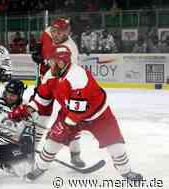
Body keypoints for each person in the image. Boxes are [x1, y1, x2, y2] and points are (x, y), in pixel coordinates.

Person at [8, 45, 143, 181]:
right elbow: (41, 100)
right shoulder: (50, 76)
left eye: (52, 61)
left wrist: (66, 125)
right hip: (69, 113)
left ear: (61, 63)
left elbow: (78, 112)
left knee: (116, 146)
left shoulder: (78, 77)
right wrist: (24, 110)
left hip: (99, 116)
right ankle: (41, 168)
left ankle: (126, 171)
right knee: (51, 143)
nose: (49, 64)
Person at [30, 17, 85, 167]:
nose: (55, 35)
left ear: (68, 33)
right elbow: (44, 40)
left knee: (71, 120)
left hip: (62, 86)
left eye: (60, 33)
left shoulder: (71, 50)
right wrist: (38, 50)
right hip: (46, 81)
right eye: (54, 31)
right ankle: (32, 150)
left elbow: (62, 73)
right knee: (41, 116)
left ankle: (75, 154)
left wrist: (45, 62)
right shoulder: (48, 32)